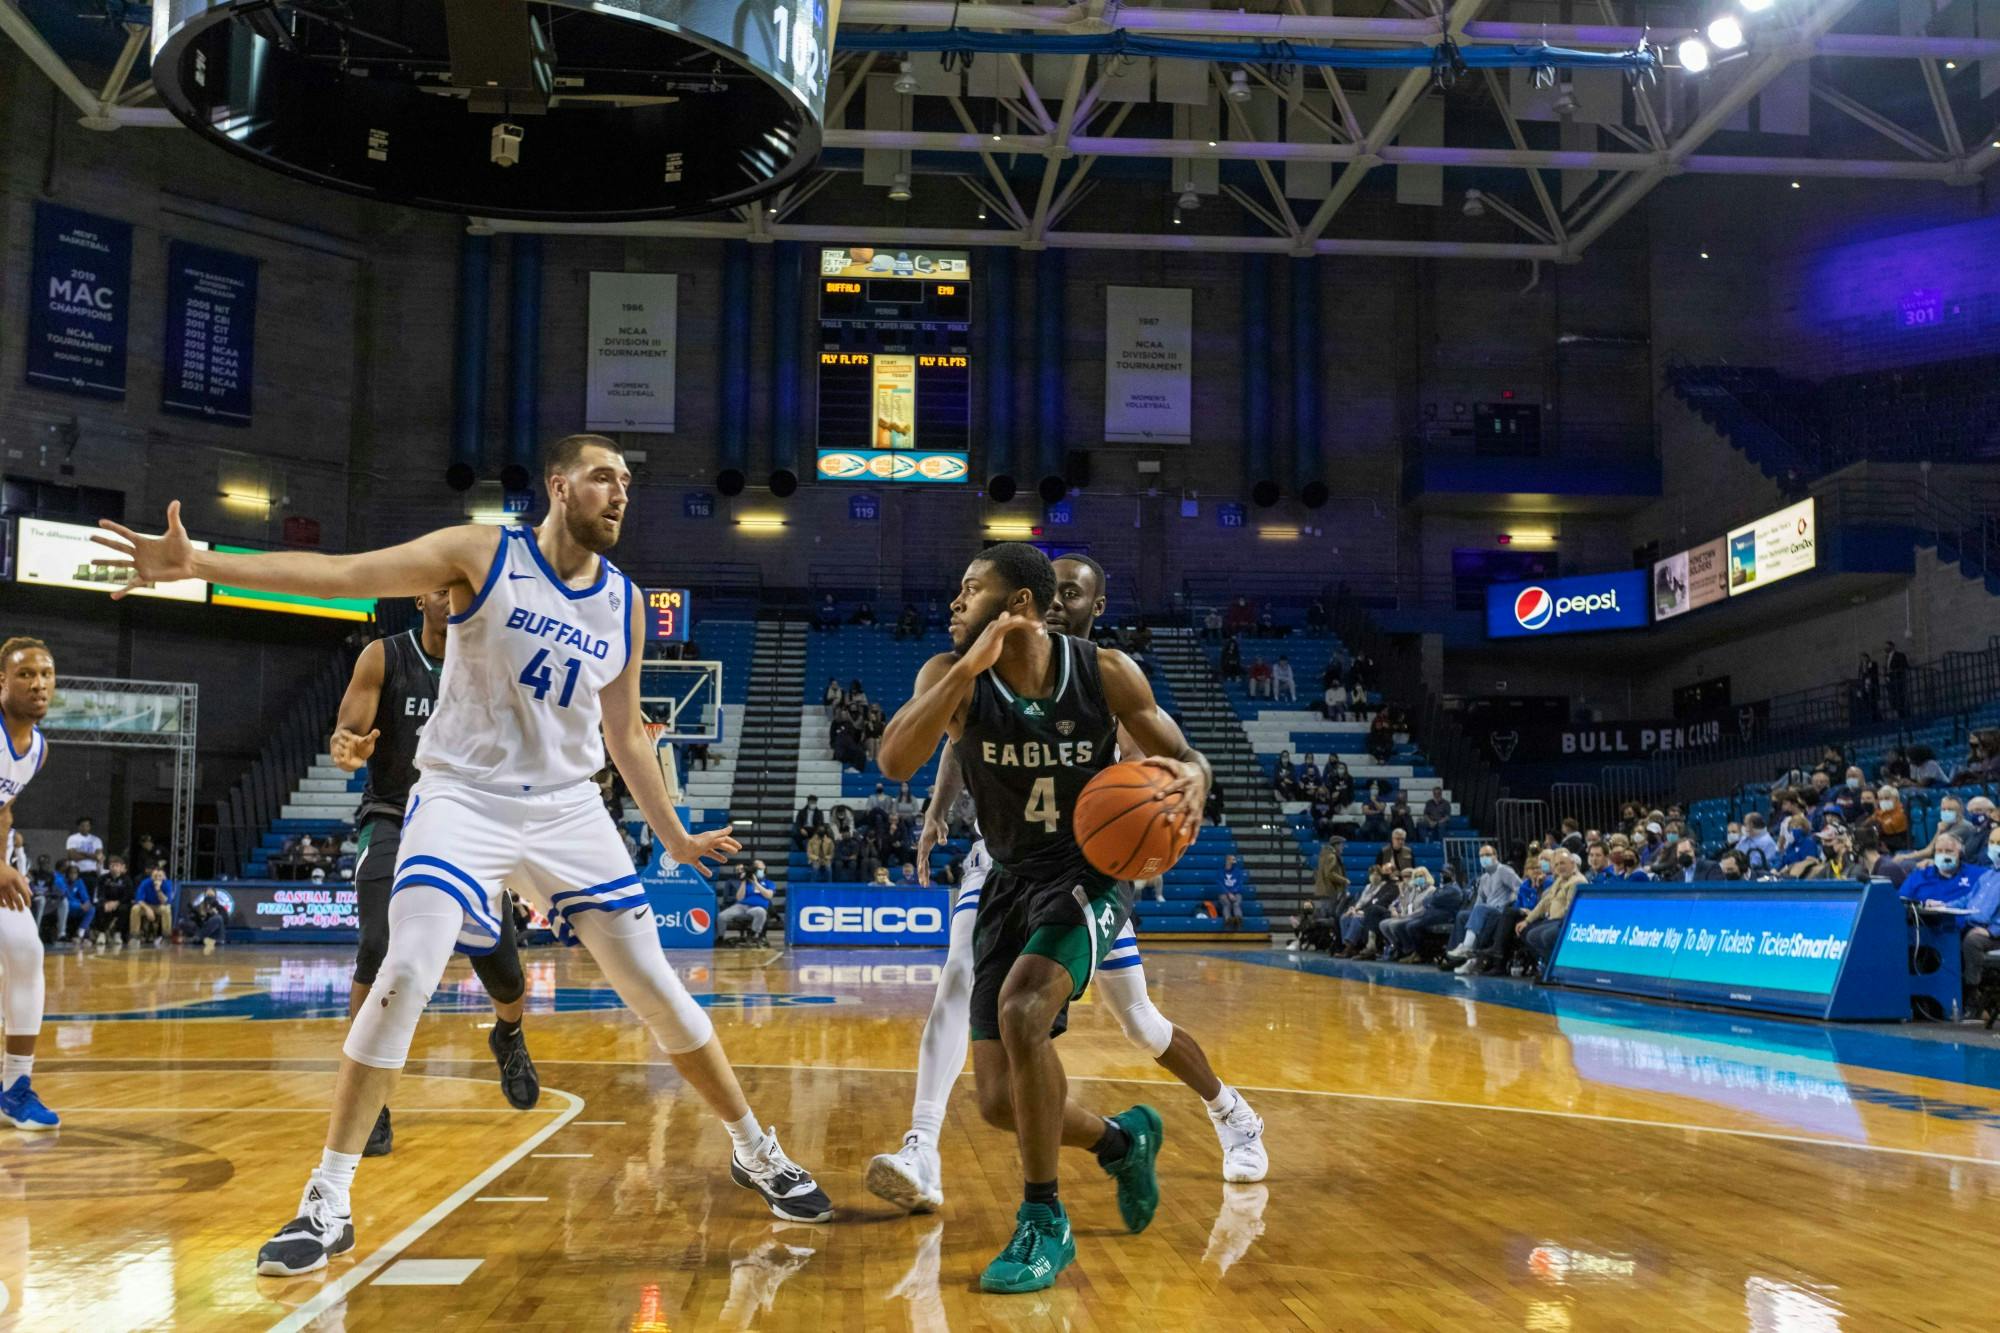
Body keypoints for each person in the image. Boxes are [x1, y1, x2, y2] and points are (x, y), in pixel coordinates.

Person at [94, 433, 831, 1275]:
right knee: (405, 968)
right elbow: (342, 573)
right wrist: (205, 563)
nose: (620, 491)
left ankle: (754, 1146)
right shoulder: (483, 552)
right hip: (462, 797)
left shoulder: (624, 600)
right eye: (602, 476)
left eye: (627, 480)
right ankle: (328, 1199)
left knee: (657, 989)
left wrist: (673, 834)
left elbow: (623, 732)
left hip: (567, 807)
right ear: (558, 486)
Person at [870, 544, 1229, 1294]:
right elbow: (895, 761)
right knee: (1001, 1102)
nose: (953, 604)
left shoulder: (1103, 672)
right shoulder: (949, 676)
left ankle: (1044, 1219)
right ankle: (1124, 1140)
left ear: (1019, 607)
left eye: (971, 591)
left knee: (1025, 1007)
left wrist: (1193, 775)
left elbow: (1184, 754)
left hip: (1090, 875)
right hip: (1010, 878)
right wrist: (968, 668)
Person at [328, 589, 541, 1158]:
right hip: (394, 816)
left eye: (464, 591)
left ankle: (510, 1036)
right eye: (443, 590)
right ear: (422, 596)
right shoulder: (384, 655)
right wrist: (348, 746)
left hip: (466, 821)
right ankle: (368, 1099)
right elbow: (347, 729)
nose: (454, 599)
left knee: (503, 968)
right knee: (377, 945)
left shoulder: (496, 664)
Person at [0, 637, 60, 1130]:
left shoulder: (36, 749)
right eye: (24, 674)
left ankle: (16, 1088)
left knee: (26, 950)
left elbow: (3, 808)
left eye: (45, 674)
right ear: (2, 681)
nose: (38, 683)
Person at [1515, 850, 1584, 975]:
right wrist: (1527, 920)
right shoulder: (1559, 880)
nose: (1559, 867)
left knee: (1543, 935)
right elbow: (1544, 903)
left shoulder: (1577, 881)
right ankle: (1548, 966)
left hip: (1565, 921)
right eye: (1556, 865)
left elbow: (1570, 909)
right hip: (1553, 920)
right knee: (1525, 931)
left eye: (1562, 863)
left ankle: (1557, 968)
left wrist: (1551, 920)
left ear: (1572, 863)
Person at [719, 862, 773, 941]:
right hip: (741, 906)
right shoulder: (745, 882)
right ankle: (720, 937)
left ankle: (753, 934)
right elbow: (739, 898)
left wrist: (756, 883)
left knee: (761, 912)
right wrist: (743, 881)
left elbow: (769, 895)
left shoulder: (768, 883)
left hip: (756, 908)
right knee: (721, 916)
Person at [131, 865, 175, 946]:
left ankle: (166, 937)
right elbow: (139, 899)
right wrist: (148, 909)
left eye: (160, 876)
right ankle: (135, 936)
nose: (157, 878)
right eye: (155, 876)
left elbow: (166, 902)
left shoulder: (167, 883)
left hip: (159, 906)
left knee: (167, 909)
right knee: (135, 908)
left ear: (164, 876)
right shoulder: (145, 883)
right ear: (151, 876)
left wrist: (158, 890)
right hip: (147, 905)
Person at [64, 816, 103, 905]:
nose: (85, 828)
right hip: (77, 873)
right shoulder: (72, 838)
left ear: (90, 827)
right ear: (79, 827)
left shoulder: (96, 840)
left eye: (87, 826)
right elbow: (73, 856)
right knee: (77, 897)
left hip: (91, 873)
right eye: (82, 826)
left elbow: (99, 857)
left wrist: (82, 852)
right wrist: (92, 856)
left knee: (90, 898)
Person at [186, 887, 228, 953]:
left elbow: (225, 921)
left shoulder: (220, 908)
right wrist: (196, 917)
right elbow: (199, 924)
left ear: (215, 897)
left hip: (216, 938)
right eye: (208, 895)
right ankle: (199, 937)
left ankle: (198, 937)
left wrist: (216, 913)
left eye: (211, 896)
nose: (209, 898)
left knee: (218, 918)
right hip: (204, 938)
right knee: (183, 922)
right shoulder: (199, 907)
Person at [1217, 854, 1244, 930]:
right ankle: (1227, 920)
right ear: (1227, 861)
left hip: (1236, 893)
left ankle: (1238, 919)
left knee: (1236, 904)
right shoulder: (1220, 871)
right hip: (1224, 893)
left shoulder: (1238, 871)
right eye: (1233, 859)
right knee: (1227, 904)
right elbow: (1220, 884)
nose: (1235, 861)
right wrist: (1228, 893)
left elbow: (1239, 884)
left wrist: (1232, 892)